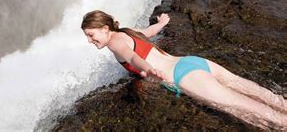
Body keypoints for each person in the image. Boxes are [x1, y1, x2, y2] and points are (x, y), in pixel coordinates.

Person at [81, 10, 287, 129]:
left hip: (185, 77)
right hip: (192, 62)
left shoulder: (114, 43)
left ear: (105, 29)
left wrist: (149, 70)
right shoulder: (128, 31)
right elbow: (150, 32)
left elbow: (133, 57)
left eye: (91, 35)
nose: (90, 41)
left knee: (248, 109)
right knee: (260, 93)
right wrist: (162, 22)